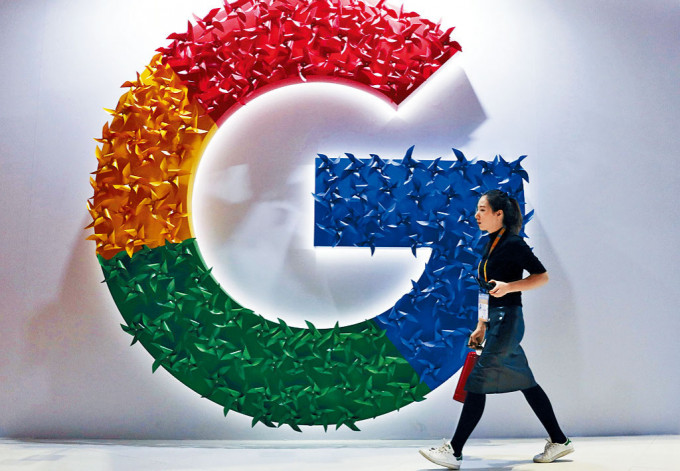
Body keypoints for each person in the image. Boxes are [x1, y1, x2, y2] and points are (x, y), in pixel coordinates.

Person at [419, 189, 574, 469]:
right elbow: (484, 289)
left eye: (482, 209)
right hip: (495, 320)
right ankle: (560, 440)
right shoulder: (489, 243)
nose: (476, 215)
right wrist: (480, 324)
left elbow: (542, 276)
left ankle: (454, 451)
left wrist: (510, 287)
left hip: (508, 320)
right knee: (527, 383)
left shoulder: (513, 243)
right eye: (477, 209)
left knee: (477, 381)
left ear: (498, 214)